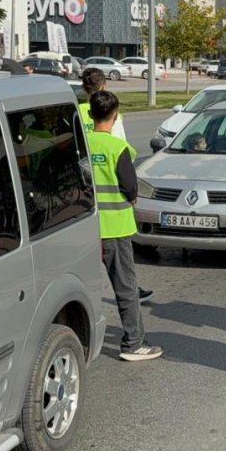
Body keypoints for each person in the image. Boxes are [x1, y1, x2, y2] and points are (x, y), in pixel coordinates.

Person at [88, 90, 163, 360]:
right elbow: (130, 187)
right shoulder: (118, 149)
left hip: (85, 230)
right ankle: (133, 343)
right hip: (115, 229)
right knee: (126, 288)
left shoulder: (79, 145)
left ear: (89, 114)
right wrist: (131, 198)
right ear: (115, 115)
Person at [79, 67, 127, 140]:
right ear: (103, 86)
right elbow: (120, 141)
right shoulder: (110, 111)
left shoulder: (76, 111)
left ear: (83, 88)